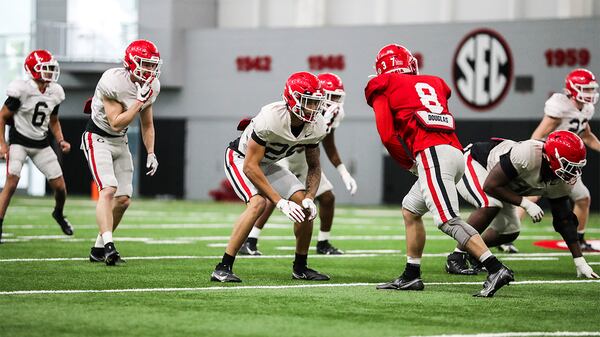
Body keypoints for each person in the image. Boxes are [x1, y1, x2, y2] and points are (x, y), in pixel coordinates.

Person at [365, 43, 513, 297]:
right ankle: (411, 274)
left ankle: (494, 267)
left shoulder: (382, 85)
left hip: (432, 153)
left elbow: (388, 136)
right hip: (455, 153)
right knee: (411, 208)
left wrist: (409, 163)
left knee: (447, 220)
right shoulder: (435, 82)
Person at [210, 71, 330, 282]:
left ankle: (300, 268)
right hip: (240, 159)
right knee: (257, 204)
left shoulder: (316, 125)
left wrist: (310, 196)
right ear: (292, 98)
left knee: (305, 206)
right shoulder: (270, 118)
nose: (313, 109)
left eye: (315, 103)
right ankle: (223, 267)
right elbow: (250, 166)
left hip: (267, 163)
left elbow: (314, 166)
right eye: (308, 102)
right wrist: (280, 202)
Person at [448, 131, 598, 278]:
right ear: (550, 157)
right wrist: (525, 203)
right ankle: (456, 257)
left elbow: (564, 220)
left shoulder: (562, 181)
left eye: (577, 167)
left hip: (502, 183)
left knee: (510, 231)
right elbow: (491, 186)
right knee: (490, 204)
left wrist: (580, 261)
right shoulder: (528, 154)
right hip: (475, 162)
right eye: (568, 165)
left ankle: (475, 252)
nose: (573, 172)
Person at [239, 72, 357, 256]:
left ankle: (323, 243)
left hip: (305, 159)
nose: (335, 103)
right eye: (331, 97)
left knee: (327, 197)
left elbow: (327, 143)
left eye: (338, 97)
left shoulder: (332, 114)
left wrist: (344, 172)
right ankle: (251, 239)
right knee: (274, 197)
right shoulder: (287, 111)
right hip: (284, 155)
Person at [82, 39, 161, 265]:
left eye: (153, 65)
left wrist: (151, 153)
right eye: (145, 64)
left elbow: (147, 124)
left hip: (120, 141)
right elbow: (116, 122)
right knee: (108, 189)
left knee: (124, 199)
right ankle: (109, 246)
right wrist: (138, 101)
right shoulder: (113, 80)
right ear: (130, 62)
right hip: (97, 137)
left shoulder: (153, 85)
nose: (150, 70)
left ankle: (98, 248)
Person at [513, 69, 599, 252]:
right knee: (532, 197)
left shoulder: (586, 109)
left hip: (567, 164)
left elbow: (587, 136)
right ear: (573, 89)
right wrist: (539, 160)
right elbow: (537, 135)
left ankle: (578, 239)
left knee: (583, 199)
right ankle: (507, 235)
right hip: (550, 160)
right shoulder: (561, 106)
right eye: (586, 89)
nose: (590, 93)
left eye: (592, 89)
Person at [0, 49, 73, 243]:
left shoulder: (55, 92)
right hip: (19, 142)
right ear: (33, 70)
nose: (49, 72)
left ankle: (58, 213)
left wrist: (61, 140)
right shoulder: (22, 90)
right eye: (45, 68)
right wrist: (2, 144)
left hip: (41, 143)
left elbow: (54, 120)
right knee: (12, 181)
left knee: (60, 187)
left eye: (51, 68)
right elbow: (2, 116)